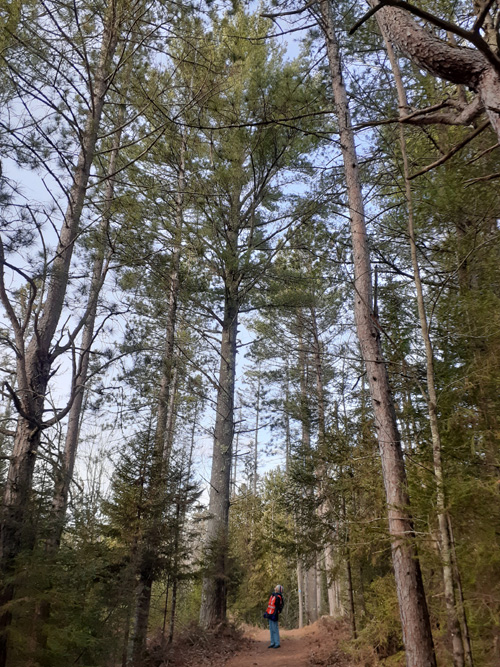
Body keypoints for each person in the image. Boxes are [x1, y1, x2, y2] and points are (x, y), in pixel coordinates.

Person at [265, 584, 284, 648]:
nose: (275, 588)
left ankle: (277, 643)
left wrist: (275, 614)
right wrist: (267, 613)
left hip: (274, 614)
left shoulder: (278, 597)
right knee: (271, 628)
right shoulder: (273, 595)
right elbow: (270, 605)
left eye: (276, 587)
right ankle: (272, 642)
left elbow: (277, 607)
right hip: (270, 614)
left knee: (274, 629)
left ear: (278, 589)